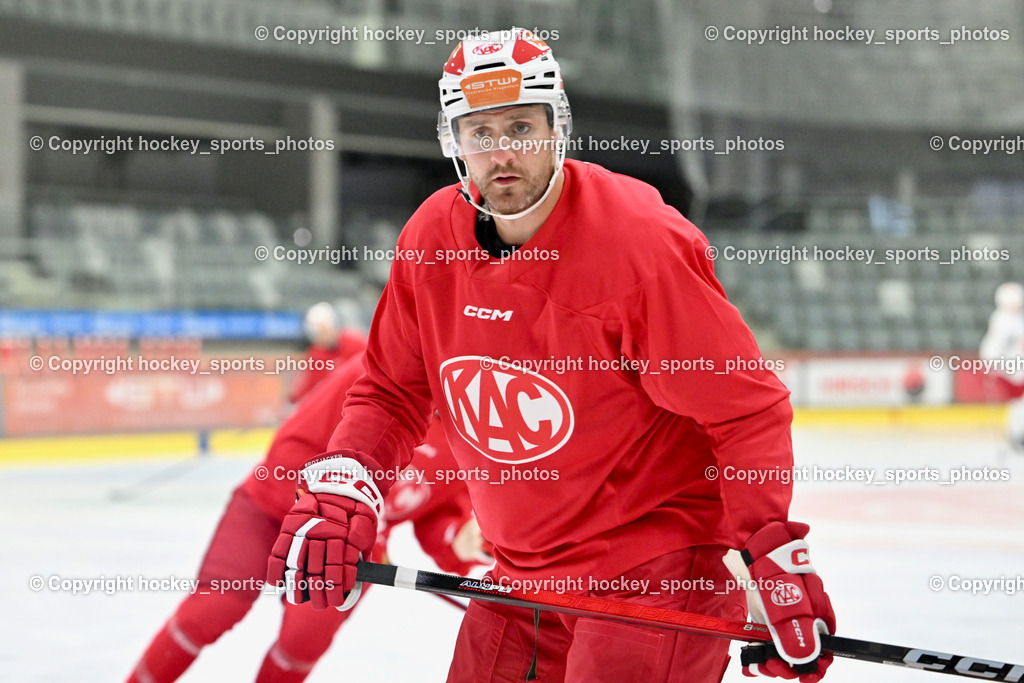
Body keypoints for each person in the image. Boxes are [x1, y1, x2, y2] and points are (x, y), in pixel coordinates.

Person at [268, 28, 834, 683]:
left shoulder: (639, 246)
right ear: (455, 142)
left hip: (654, 572)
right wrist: (349, 483)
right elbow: (392, 390)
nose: (501, 152)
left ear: (557, 127)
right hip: (522, 571)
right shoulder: (431, 238)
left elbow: (747, 410)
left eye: (520, 127)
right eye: (480, 133)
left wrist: (770, 552)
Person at [126, 351, 486, 683]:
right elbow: (289, 450)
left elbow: (438, 515)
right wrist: (334, 515)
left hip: (352, 547)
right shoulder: (381, 373)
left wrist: (459, 539)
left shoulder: (474, 437)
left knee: (304, 642)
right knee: (210, 611)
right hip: (268, 510)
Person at [288, 302, 366, 403]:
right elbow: (311, 384)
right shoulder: (316, 354)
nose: (323, 336)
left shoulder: (356, 343)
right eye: (318, 333)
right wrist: (295, 399)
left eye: (325, 330)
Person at [979, 281, 1024, 449]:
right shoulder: (1001, 321)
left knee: (1019, 402)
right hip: (1008, 368)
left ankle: (1017, 433)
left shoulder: (1018, 319)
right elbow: (991, 351)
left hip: (1016, 367)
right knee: (1018, 401)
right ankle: (1016, 434)